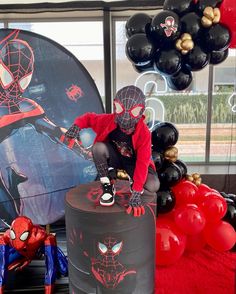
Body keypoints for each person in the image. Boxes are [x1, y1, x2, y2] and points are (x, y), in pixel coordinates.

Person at [65, 85, 160, 217]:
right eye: (121, 109)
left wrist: (137, 191)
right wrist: (77, 125)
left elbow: (142, 163)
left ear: (141, 111)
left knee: (153, 185)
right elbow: (89, 118)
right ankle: (107, 185)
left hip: (133, 163)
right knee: (98, 148)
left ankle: (132, 180)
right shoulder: (109, 121)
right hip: (116, 158)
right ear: (116, 107)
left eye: (133, 111)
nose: (126, 117)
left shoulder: (144, 133)